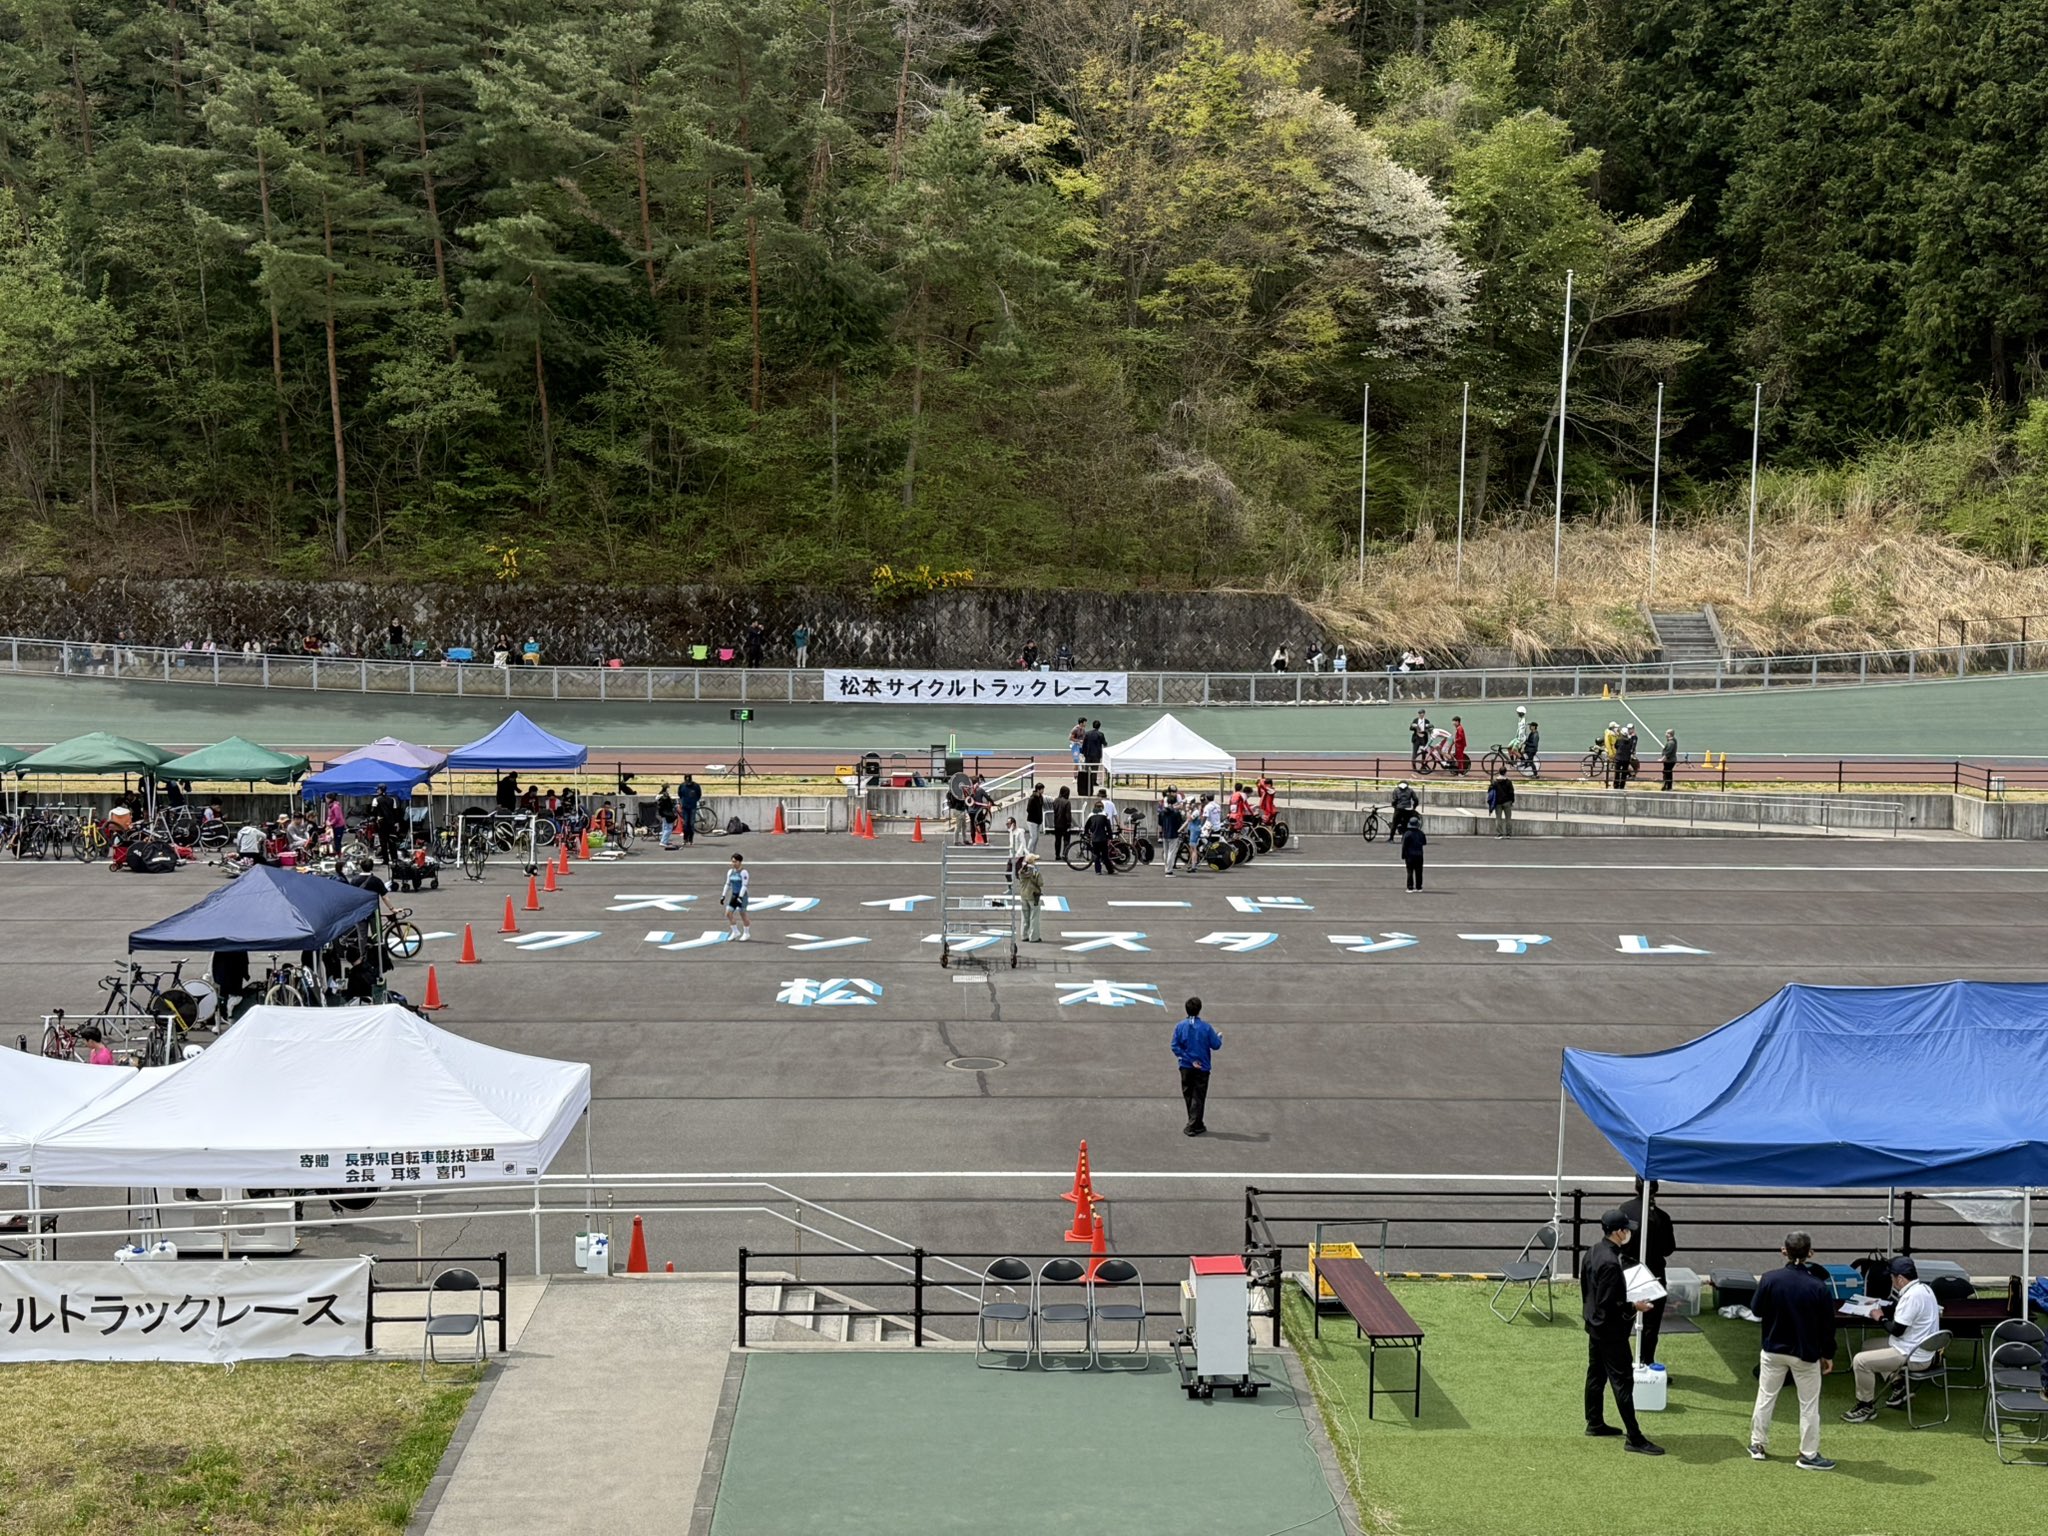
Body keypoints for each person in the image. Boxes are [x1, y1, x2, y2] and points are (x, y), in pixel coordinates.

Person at [1749, 1231, 1838, 1469]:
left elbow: (1756, 1310)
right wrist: (1828, 1354)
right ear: (1810, 1253)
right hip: (1805, 1353)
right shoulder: (1818, 1286)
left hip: (1773, 1349)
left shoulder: (1769, 1279)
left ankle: (1757, 1444)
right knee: (1809, 1405)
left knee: (1766, 1396)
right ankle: (1808, 1454)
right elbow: (1828, 1327)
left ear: (1784, 1251)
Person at [1583, 1209, 1664, 1455]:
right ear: (1618, 1232)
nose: (1629, 1233)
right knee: (1622, 1382)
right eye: (1626, 1229)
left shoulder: (1593, 1251)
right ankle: (1634, 1437)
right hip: (1611, 1331)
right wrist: (1635, 1306)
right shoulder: (1610, 1262)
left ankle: (1594, 1422)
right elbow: (1610, 1303)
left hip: (1594, 1324)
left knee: (1596, 1374)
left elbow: (1590, 1291)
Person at [1843, 1256, 1943, 1421]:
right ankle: (1898, 1385)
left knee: (1860, 1361)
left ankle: (1865, 1406)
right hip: (1920, 1349)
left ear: (1900, 1279)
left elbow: (1897, 1331)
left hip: (1912, 1355)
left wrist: (1880, 1317)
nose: (1891, 1281)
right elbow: (1901, 1313)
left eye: (1892, 1277)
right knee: (1868, 1345)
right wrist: (1881, 1308)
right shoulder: (1924, 1288)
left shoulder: (1911, 1297)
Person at [1619, 1180, 1677, 1365]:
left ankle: (1621, 1362)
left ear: (1636, 1187)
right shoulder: (1662, 1217)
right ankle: (1646, 1362)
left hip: (1628, 1271)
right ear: (1656, 1190)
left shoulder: (1625, 1209)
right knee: (1651, 1324)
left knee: (1624, 1319)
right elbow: (1668, 1249)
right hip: (1654, 1273)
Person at [1170, 997, 1222, 1136]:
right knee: (1198, 1096)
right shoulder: (1206, 1027)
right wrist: (1219, 1037)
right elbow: (1216, 1045)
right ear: (1199, 1009)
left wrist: (1188, 1059)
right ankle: (1192, 1126)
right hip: (1202, 1067)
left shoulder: (1180, 1026)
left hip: (1185, 1067)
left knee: (1189, 1094)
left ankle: (1197, 1123)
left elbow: (1175, 1046)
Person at [367, 783, 402, 866]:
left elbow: (373, 811)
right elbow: (396, 812)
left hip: (381, 823)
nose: (377, 791)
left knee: (383, 842)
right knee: (392, 841)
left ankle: (386, 860)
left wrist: (375, 817)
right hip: (391, 824)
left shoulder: (376, 799)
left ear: (380, 790)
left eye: (378, 789)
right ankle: (394, 859)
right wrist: (397, 822)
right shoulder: (392, 799)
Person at [722, 854, 752, 941]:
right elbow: (727, 884)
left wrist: (740, 897)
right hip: (734, 895)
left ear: (740, 862)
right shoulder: (730, 872)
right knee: (728, 913)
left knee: (742, 914)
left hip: (742, 896)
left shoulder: (744, 872)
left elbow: (744, 886)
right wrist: (723, 895)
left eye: (735, 862)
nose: (733, 863)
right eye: (732, 861)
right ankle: (735, 932)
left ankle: (746, 933)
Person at [1016, 852, 1044, 942]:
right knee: (1034, 917)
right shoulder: (1035, 872)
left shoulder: (1021, 872)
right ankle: (1034, 937)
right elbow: (1040, 883)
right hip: (1033, 895)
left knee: (1024, 916)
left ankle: (1024, 935)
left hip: (1023, 895)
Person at [1157, 792, 1186, 876]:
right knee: (1171, 852)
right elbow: (1179, 823)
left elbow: (1160, 823)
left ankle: (1166, 867)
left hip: (1165, 833)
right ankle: (1169, 871)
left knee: (1166, 852)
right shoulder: (1176, 813)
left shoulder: (1162, 812)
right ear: (1175, 802)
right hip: (1173, 834)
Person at [1084, 796, 1115, 876]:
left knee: (1096, 855)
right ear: (1102, 808)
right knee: (1105, 856)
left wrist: (1087, 834)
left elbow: (1086, 826)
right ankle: (1110, 870)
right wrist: (1110, 837)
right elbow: (1108, 827)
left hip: (1094, 839)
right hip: (1103, 838)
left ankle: (1098, 871)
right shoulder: (1105, 815)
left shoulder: (1091, 815)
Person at [1079, 719, 1107, 798]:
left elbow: (1084, 744)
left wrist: (1083, 753)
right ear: (1099, 726)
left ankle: (1087, 781)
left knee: (1087, 769)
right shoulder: (1100, 734)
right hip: (1096, 755)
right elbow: (1104, 743)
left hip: (1088, 754)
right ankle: (1094, 782)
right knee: (1095, 769)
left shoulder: (1087, 734)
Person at [1401, 817, 1427, 892]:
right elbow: (1424, 842)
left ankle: (1410, 887)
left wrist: (1403, 855)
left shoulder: (1407, 834)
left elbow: (1404, 845)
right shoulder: (1421, 833)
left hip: (1410, 855)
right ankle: (1419, 887)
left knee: (1410, 871)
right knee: (1419, 871)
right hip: (1419, 855)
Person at [1487, 768, 1515, 837]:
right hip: (1507, 802)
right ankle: (1508, 834)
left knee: (1498, 818)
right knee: (1508, 818)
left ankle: (1499, 834)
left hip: (1498, 802)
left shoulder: (1495, 782)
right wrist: (1512, 801)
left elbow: (1489, 790)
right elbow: (1511, 792)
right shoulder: (1508, 782)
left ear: (1499, 772)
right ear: (1505, 772)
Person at [1051, 786, 1074, 862]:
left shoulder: (1055, 800)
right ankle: (1065, 854)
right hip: (1064, 824)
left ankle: (1057, 855)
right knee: (1066, 840)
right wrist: (1069, 823)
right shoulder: (1067, 802)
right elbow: (1068, 814)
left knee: (1057, 840)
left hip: (1057, 823)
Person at [678, 774, 702, 846]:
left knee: (691, 823)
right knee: (685, 824)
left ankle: (691, 839)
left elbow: (699, 794)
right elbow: (680, 794)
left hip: (692, 807)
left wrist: (694, 800)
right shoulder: (682, 786)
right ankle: (685, 838)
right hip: (685, 807)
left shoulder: (696, 786)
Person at [1023, 784, 1045, 855]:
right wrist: (1035, 815)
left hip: (1038, 820)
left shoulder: (1040, 797)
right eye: (1042, 789)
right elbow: (1028, 809)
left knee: (1036, 838)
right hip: (1032, 820)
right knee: (1033, 837)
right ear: (1038, 790)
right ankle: (1028, 852)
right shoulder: (1032, 798)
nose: (1043, 790)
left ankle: (1033, 852)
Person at [656, 784, 677, 850]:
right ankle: (663, 841)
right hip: (667, 813)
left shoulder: (660, 795)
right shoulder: (665, 796)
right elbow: (668, 804)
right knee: (668, 828)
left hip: (663, 813)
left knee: (665, 827)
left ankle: (665, 840)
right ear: (667, 788)